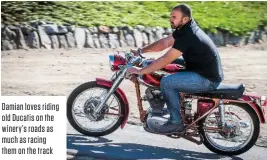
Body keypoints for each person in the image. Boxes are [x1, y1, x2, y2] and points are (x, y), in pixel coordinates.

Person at [126, 4, 224, 133]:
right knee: (155, 64)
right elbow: (164, 43)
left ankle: (175, 122)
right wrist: (141, 51)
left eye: (174, 17)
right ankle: (166, 107)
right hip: (199, 68)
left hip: (206, 78)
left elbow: (165, 59)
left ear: (185, 19)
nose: (170, 19)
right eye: (170, 16)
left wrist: (140, 71)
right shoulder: (185, 28)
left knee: (167, 82)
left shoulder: (188, 35)